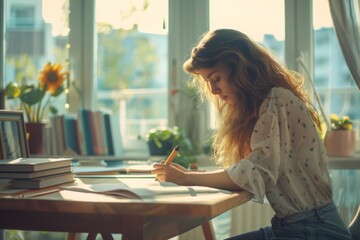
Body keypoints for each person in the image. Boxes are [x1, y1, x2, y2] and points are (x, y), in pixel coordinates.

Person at [151, 29, 353, 240]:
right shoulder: (263, 104)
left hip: (315, 230)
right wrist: (192, 176)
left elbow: (256, 171)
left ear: (240, 68)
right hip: (292, 226)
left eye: (216, 78)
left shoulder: (277, 99)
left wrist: (186, 178)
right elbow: (252, 166)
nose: (212, 90)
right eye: (207, 81)